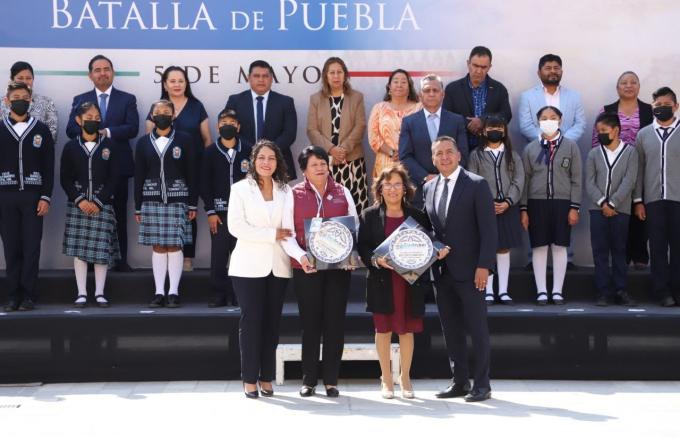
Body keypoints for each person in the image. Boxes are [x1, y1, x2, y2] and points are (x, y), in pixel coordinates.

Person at [358, 164, 448, 399]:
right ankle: (386, 379)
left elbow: (429, 242)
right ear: (380, 189)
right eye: (387, 185)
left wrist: (440, 250)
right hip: (381, 281)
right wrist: (377, 260)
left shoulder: (417, 216)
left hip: (410, 283)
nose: (393, 189)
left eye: (398, 184)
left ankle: (405, 377)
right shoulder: (369, 215)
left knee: (407, 331)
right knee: (384, 330)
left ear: (405, 188)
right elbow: (363, 247)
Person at [281, 146, 358, 398]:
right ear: (304, 169)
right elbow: (286, 233)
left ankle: (332, 380)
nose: (320, 168)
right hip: (307, 268)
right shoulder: (293, 194)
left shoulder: (342, 191)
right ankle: (309, 380)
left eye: (323, 163)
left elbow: (353, 226)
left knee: (335, 323)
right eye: (314, 164)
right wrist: (300, 256)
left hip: (338, 268)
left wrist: (350, 254)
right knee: (310, 323)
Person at [424, 136, 496, 402]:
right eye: (438, 153)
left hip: (471, 272)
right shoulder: (429, 188)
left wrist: (484, 267)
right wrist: (433, 244)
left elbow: (489, 231)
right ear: (433, 158)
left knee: (477, 329)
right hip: (441, 273)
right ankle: (460, 381)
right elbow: (429, 229)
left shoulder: (477, 185)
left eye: (448, 152)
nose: (444, 157)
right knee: (451, 330)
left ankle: (482, 384)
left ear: (458, 155)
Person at [228, 140, 292, 399]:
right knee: (251, 322)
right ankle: (249, 379)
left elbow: (291, 228)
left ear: (278, 163)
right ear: (253, 161)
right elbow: (236, 227)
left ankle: (266, 377)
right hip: (248, 266)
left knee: (272, 324)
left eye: (272, 158)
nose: (267, 162)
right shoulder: (241, 189)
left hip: (278, 265)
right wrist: (271, 234)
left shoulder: (286, 190)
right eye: (261, 158)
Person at [67, 55, 139, 272]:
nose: (102, 73)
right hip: (88, 170)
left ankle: (120, 260)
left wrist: (104, 132)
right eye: (97, 70)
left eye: (106, 69)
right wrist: (88, 131)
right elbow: (71, 130)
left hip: (119, 167)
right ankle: (89, 260)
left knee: (118, 214)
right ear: (90, 75)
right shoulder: (80, 99)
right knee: (89, 215)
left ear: (113, 72)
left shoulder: (127, 99)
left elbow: (132, 128)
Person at [146, 66, 211, 272]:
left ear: (186, 83)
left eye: (181, 81)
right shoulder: (157, 107)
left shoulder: (196, 106)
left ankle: (187, 258)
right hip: (165, 173)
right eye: (172, 81)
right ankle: (163, 255)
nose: (177, 84)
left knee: (189, 214)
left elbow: (207, 138)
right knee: (164, 215)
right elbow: (149, 139)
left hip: (192, 169)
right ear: (165, 84)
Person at [134, 100, 197, 309]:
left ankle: (174, 292)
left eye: (166, 112)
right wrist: (137, 205)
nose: (162, 115)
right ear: (152, 116)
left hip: (178, 199)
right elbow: (139, 175)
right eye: (158, 112)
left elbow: (192, 174)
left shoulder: (185, 140)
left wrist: (192, 204)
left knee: (175, 245)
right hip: (151, 199)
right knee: (159, 246)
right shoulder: (143, 143)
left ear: (174, 115)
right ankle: (159, 291)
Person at [0, 81, 54, 312]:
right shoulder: (1, 129)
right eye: (15, 97)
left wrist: (45, 197)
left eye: (24, 96)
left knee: (32, 247)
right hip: (5, 196)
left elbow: (49, 167)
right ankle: (13, 295)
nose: (20, 100)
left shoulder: (41, 130)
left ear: (30, 100)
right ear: (6, 101)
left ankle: (29, 295)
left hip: (33, 196)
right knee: (11, 247)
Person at [520, 106, 582, 305]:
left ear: (560, 121)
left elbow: (576, 179)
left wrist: (574, 207)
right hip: (536, 204)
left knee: (559, 246)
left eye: (553, 117)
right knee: (538, 247)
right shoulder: (530, 148)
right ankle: (541, 291)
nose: (548, 121)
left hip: (563, 203)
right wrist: (524, 209)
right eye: (544, 118)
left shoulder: (571, 146)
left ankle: (557, 291)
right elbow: (525, 181)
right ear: (538, 122)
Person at [60, 102, 120, 308]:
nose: (93, 121)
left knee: (101, 250)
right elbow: (65, 178)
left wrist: (99, 201)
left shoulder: (110, 146)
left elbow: (114, 177)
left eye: (97, 117)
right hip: (78, 205)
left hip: (102, 204)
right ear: (78, 120)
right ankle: (82, 293)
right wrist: (80, 200)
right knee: (81, 250)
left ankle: (100, 293)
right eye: (88, 117)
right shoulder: (70, 146)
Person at [591, 72, 653, 269]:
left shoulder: (648, 110)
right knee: (620, 211)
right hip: (612, 168)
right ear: (617, 88)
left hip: (642, 167)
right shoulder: (607, 110)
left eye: (633, 82)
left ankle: (640, 256)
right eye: (624, 83)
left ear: (639, 86)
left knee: (640, 209)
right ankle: (622, 259)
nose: (629, 85)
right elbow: (596, 140)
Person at [467, 114, 524, 305]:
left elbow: (519, 180)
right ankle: (488, 290)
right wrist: (485, 204)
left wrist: (508, 201)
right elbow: (472, 180)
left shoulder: (512, 154)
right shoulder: (476, 154)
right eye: (491, 128)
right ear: (483, 131)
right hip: (485, 208)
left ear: (505, 131)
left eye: (500, 128)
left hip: (507, 207)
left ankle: (504, 291)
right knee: (487, 248)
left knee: (503, 248)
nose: (495, 131)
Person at [633, 87, 680, 307]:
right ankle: (662, 292)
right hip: (653, 201)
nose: (661, 109)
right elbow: (639, 169)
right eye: (657, 105)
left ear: (676, 107)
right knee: (658, 247)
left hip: (678, 200)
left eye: (666, 105)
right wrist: (638, 201)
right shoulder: (643, 134)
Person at [200, 109, 252, 307]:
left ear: (238, 126)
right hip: (219, 214)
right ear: (217, 127)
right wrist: (210, 211)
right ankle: (218, 293)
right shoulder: (210, 152)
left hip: (244, 215)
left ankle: (238, 294)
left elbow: (256, 182)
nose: (227, 126)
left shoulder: (249, 149)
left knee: (241, 255)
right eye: (223, 123)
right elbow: (204, 184)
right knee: (219, 255)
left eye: (232, 122)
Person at [586, 112, 638, 306]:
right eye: (598, 131)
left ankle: (620, 289)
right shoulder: (593, 153)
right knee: (599, 251)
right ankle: (602, 291)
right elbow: (589, 182)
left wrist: (614, 203)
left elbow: (630, 180)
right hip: (597, 210)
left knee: (619, 249)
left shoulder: (630, 152)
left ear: (616, 130)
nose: (600, 134)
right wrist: (602, 203)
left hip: (620, 210)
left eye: (604, 130)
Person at [307, 57, 368, 213]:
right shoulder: (316, 99)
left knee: (356, 206)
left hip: (352, 161)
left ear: (345, 75)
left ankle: (357, 238)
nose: (336, 76)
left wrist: (342, 150)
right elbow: (311, 130)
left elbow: (360, 125)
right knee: (329, 207)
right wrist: (331, 149)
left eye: (339, 72)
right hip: (326, 162)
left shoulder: (356, 97)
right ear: (325, 76)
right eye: (332, 72)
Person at [399, 74, 469, 208]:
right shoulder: (409, 122)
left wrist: (446, 177)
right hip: (419, 191)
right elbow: (405, 156)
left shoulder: (456, 120)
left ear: (442, 94)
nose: (431, 94)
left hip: (452, 188)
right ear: (420, 95)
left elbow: (463, 155)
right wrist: (426, 177)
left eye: (435, 90)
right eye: (427, 90)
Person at [224, 60, 298, 179]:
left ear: (271, 78)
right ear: (249, 78)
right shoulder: (235, 101)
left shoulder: (286, 102)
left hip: (277, 163)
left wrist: (268, 152)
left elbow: (289, 134)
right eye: (256, 76)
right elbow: (230, 130)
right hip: (244, 161)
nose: (261, 79)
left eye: (265, 76)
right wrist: (255, 150)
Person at [442, 46, 512, 152]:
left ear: (489, 67)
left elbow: (506, 115)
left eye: (483, 67)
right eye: (475, 65)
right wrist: (468, 124)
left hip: (491, 148)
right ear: (468, 63)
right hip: (460, 148)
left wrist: (483, 121)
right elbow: (446, 116)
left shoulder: (499, 89)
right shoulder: (453, 89)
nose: (478, 71)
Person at [518, 54, 586, 143]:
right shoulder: (527, 96)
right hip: (538, 150)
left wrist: (562, 142)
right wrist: (546, 141)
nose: (553, 71)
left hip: (567, 150)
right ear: (539, 73)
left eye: (556, 68)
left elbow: (580, 124)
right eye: (548, 68)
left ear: (562, 72)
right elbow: (525, 126)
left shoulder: (574, 96)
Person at [368, 69, 421, 178]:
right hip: (385, 165)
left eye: (403, 82)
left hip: (413, 163)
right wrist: (391, 152)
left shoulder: (419, 108)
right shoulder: (379, 108)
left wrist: (405, 153)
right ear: (389, 87)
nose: (399, 85)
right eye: (396, 81)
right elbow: (373, 137)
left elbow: (424, 134)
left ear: (409, 87)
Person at [1, 61, 58, 141]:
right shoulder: (2, 103)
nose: (24, 82)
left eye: (28, 78)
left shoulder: (47, 103)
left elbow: (52, 135)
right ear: (12, 80)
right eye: (20, 78)